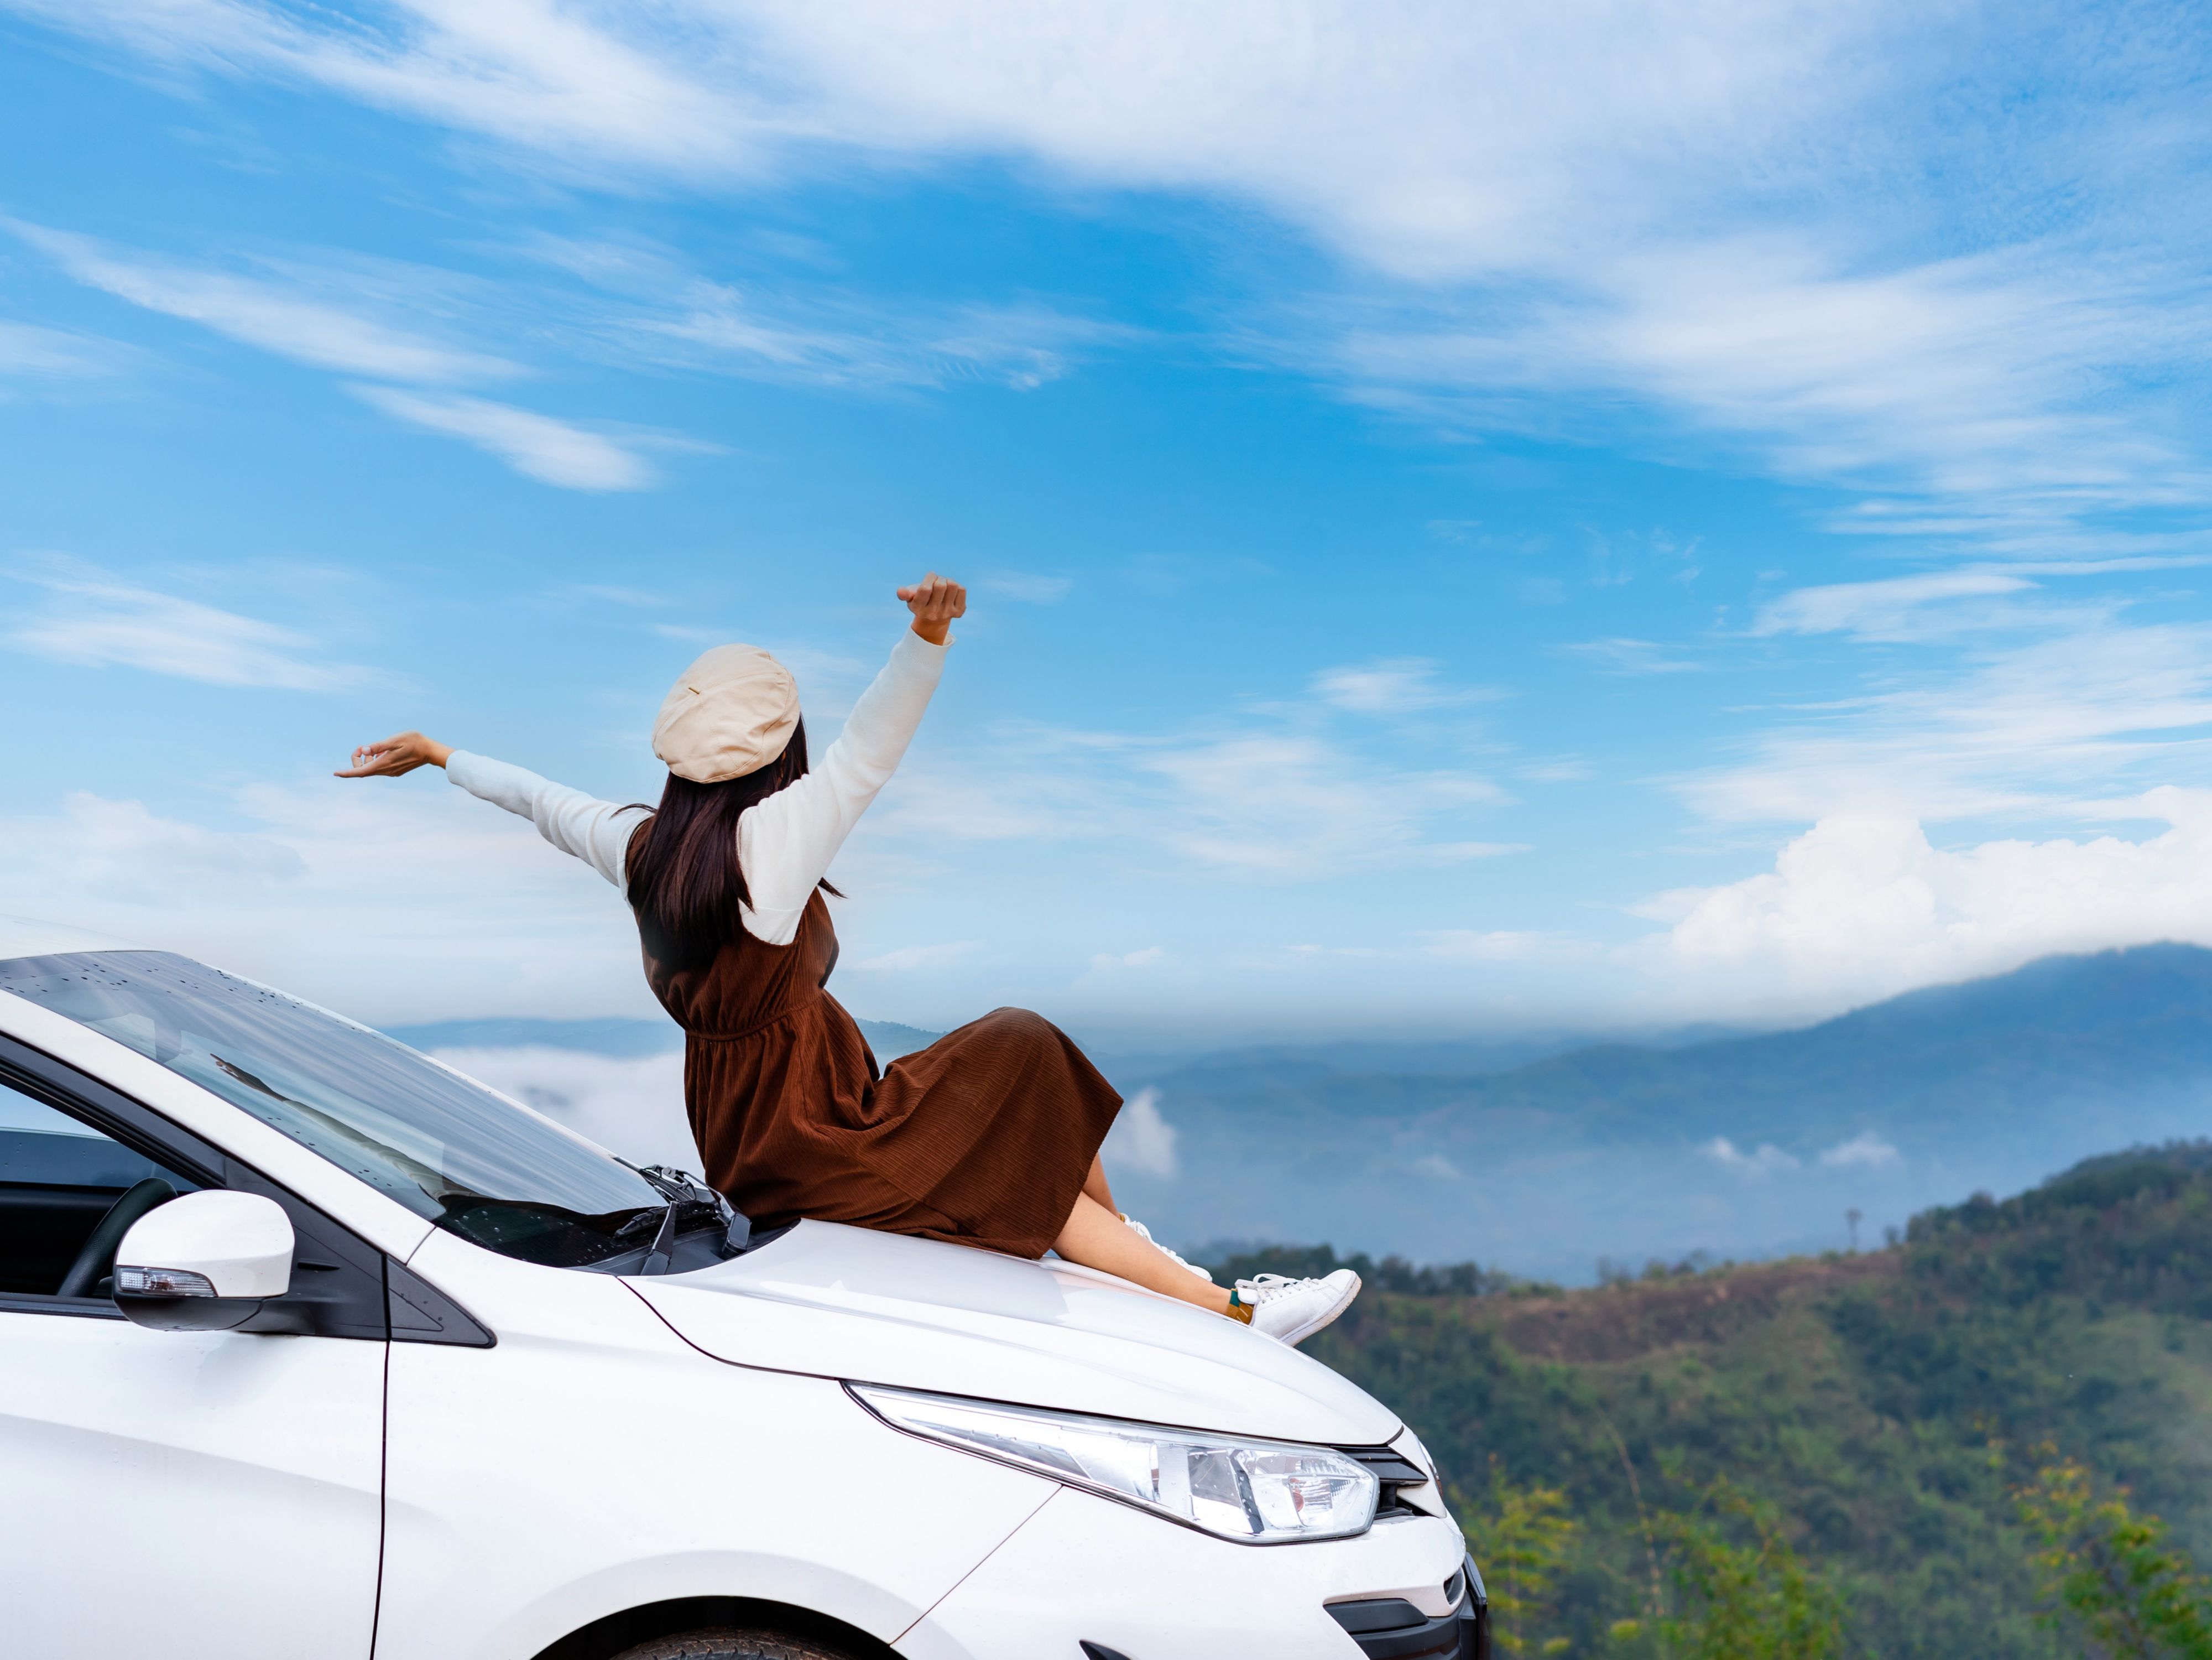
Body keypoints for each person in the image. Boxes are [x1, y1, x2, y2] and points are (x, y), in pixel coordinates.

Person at [338, 574, 1360, 1347]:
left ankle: (1138, 1245)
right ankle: (1222, 1308)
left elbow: (538, 799)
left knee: (1028, 1050)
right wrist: (924, 641)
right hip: (818, 1130)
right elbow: (871, 750)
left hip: (757, 1129)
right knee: (1017, 1100)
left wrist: (440, 756)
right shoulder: (768, 850)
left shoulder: (644, 845)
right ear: (778, 751)